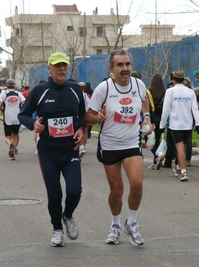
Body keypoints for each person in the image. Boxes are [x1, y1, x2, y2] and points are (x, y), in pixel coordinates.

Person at [85, 49, 152, 246]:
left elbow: (144, 103)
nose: (125, 69)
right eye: (120, 65)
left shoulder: (138, 84)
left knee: (137, 184)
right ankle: (115, 226)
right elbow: (87, 115)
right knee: (116, 189)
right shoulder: (103, 89)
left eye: (127, 65)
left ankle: (131, 223)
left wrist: (146, 118)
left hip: (131, 143)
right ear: (111, 68)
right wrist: (97, 117)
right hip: (110, 144)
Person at [18, 52, 86, 247]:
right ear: (49, 69)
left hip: (70, 149)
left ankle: (68, 215)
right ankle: (57, 229)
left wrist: (81, 128)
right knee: (54, 194)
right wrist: (33, 124)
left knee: (74, 191)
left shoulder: (75, 89)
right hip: (48, 151)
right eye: (57, 66)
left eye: (64, 65)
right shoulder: (40, 91)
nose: (61, 69)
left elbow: (81, 114)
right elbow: (23, 115)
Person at [159, 70, 199, 181]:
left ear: (173, 79)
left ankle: (184, 172)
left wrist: (161, 125)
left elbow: (166, 110)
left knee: (179, 147)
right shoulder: (190, 92)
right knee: (183, 146)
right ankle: (178, 167)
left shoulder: (170, 91)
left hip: (175, 124)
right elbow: (195, 108)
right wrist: (198, 123)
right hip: (188, 125)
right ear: (183, 80)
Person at [0, 79, 26, 160]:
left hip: (7, 117)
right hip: (17, 117)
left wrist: (3, 110)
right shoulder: (18, 93)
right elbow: (24, 103)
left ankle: (10, 144)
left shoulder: (4, 93)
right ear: (14, 86)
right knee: (16, 134)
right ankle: (13, 151)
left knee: (7, 136)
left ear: (6, 86)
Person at [147, 73, 166, 170]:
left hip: (151, 119)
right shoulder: (165, 92)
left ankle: (157, 156)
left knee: (149, 140)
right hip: (161, 119)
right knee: (157, 139)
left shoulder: (149, 92)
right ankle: (156, 160)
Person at [78, 81, 90, 160]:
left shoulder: (73, 94)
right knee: (84, 131)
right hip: (84, 116)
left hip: (76, 116)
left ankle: (80, 147)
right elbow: (89, 105)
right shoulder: (86, 95)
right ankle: (82, 147)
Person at [183, 77, 194, 165]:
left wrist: (195, 121)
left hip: (189, 119)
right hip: (179, 120)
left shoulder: (191, 94)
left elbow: (194, 108)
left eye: (187, 85)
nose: (185, 87)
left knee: (188, 140)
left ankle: (188, 159)